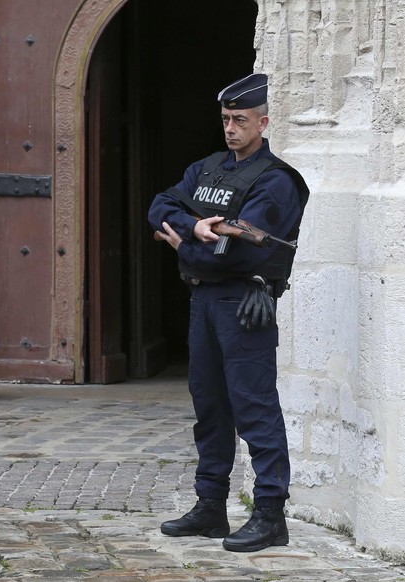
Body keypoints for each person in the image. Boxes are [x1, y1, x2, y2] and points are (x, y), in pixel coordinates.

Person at [148, 73, 310, 553]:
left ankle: (270, 514)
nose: (231, 128)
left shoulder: (277, 181)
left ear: (263, 121)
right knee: (210, 406)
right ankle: (210, 505)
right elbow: (160, 204)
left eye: (240, 120)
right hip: (205, 301)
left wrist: (182, 247)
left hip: (244, 304)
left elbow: (244, 253)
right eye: (225, 119)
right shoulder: (209, 168)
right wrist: (195, 226)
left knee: (254, 407)